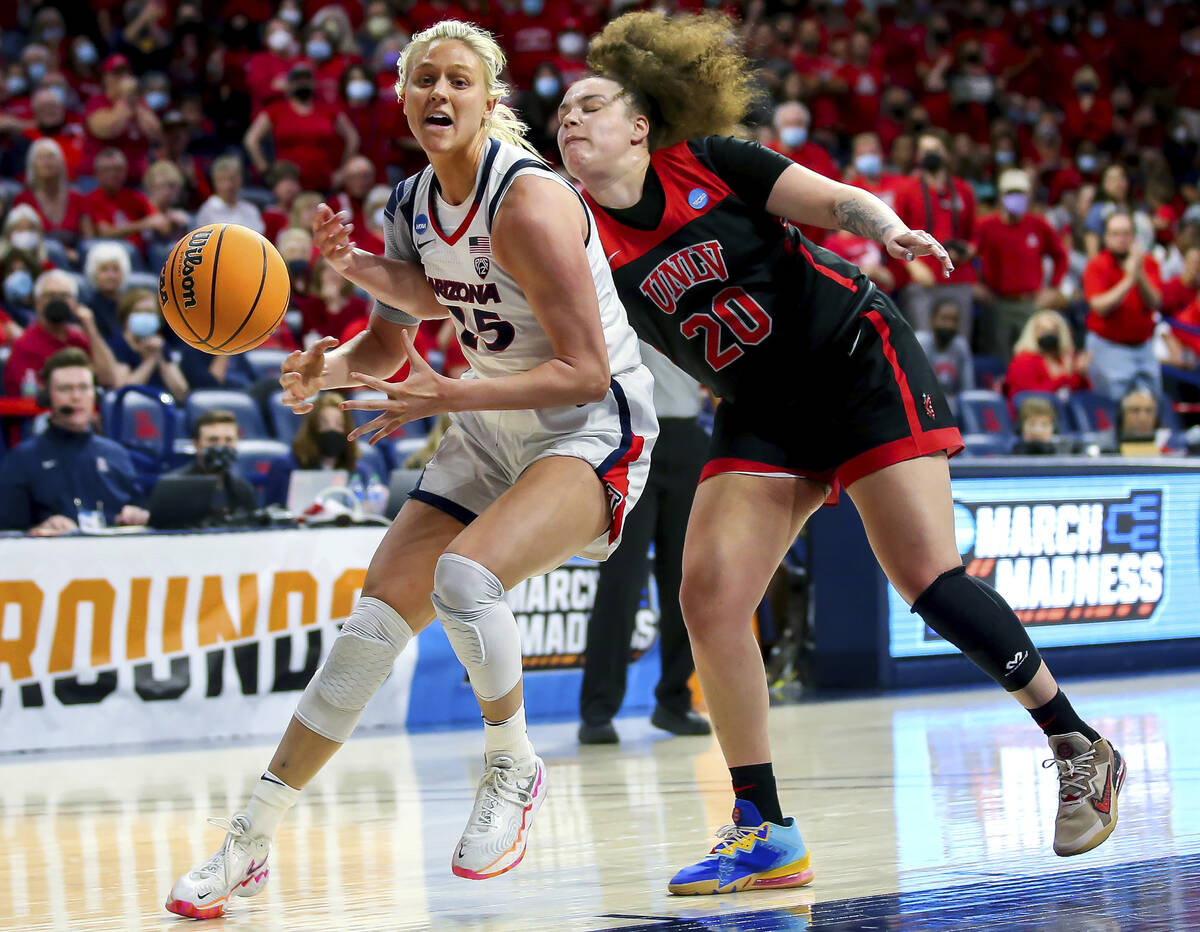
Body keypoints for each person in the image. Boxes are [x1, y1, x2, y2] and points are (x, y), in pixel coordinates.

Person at [557, 10, 1125, 896]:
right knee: (709, 598)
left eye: (589, 104)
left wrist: (887, 227)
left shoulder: (706, 160)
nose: (570, 120)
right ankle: (764, 829)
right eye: (560, 115)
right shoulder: (579, 234)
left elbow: (830, 201)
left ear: (640, 123)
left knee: (928, 580)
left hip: (854, 358)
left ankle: (1074, 739)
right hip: (761, 408)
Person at [165, 20, 657, 919]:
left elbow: (584, 370)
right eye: (424, 78)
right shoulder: (412, 204)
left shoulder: (531, 201)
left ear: (488, 98)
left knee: (466, 580)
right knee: (370, 629)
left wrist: (447, 396)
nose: (440, 93)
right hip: (487, 418)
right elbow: (396, 344)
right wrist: (331, 368)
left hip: (589, 425)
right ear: (401, 96)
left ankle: (512, 765)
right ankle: (249, 842)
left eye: (460, 80)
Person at [579, 351, 710, 745]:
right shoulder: (615, 292)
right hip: (628, 438)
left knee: (685, 583)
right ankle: (597, 710)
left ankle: (674, 700)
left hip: (687, 437)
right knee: (620, 580)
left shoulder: (695, 296)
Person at [0, 349, 146, 534]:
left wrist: (137, 516)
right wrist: (37, 530)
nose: (76, 397)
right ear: (48, 397)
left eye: (84, 388)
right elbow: (7, 533)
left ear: (96, 394)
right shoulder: (21, 460)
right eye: (66, 389)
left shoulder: (116, 454)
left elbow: (142, 511)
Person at [975, 169, 1070, 361]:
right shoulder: (986, 226)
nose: (1015, 198)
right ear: (1001, 196)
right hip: (998, 302)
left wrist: (1054, 287)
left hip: (1030, 302)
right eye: (1010, 193)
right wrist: (974, 284)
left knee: (1030, 354)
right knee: (999, 355)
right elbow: (968, 255)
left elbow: (1061, 256)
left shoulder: (1038, 225)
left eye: (1020, 193)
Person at [243, 62, 360, 193]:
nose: (302, 83)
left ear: (314, 83)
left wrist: (342, 171)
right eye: (297, 80)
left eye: (306, 79)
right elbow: (251, 139)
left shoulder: (329, 110)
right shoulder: (276, 110)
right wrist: (264, 169)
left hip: (323, 183)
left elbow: (353, 137)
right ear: (289, 84)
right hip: (288, 185)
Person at [1083, 211, 1163, 400]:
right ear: (1106, 238)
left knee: (1153, 402)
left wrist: (1139, 274)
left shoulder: (1148, 262)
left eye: (1126, 233)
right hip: (1109, 347)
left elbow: (1155, 302)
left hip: (1143, 347)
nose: (1121, 239)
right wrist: (1129, 280)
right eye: (1115, 234)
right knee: (1116, 404)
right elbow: (1099, 306)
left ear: (1134, 237)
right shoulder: (1097, 264)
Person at [2, 270, 120, 395]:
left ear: (74, 303)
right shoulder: (25, 344)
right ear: (37, 303)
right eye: (50, 296)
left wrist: (90, 328)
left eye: (64, 296)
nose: (58, 301)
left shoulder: (80, 338)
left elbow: (109, 380)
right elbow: (30, 394)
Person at [263, 391, 376, 506]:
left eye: (339, 425)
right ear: (312, 428)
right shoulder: (285, 467)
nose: (332, 431)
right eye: (325, 424)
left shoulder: (358, 471)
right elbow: (274, 510)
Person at [160, 409, 259, 522]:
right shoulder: (175, 488)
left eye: (228, 440)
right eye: (213, 440)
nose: (221, 446)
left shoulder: (243, 489)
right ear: (196, 445)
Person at [109, 287, 189, 401]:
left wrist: (160, 357)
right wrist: (151, 360)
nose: (145, 316)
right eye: (139, 311)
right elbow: (123, 391)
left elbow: (181, 392)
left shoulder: (160, 345)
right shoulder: (118, 344)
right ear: (126, 316)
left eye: (150, 312)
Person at [1004, 311, 1091, 400]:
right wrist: (1066, 375)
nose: (1048, 335)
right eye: (1043, 330)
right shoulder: (1022, 361)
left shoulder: (1065, 358)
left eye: (1053, 331)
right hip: (1033, 410)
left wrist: (1080, 374)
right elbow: (1037, 395)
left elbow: (1083, 394)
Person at [916, 298, 975, 396]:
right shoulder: (921, 343)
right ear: (932, 320)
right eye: (944, 319)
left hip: (954, 406)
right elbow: (918, 388)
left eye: (954, 320)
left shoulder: (961, 345)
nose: (949, 325)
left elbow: (968, 389)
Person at [194, 154, 265, 233]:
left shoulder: (251, 210)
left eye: (233, 179)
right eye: (223, 180)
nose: (229, 185)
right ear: (215, 182)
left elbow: (260, 239)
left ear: (240, 180)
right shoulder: (207, 211)